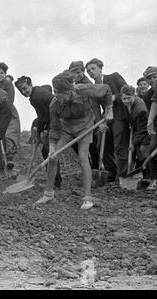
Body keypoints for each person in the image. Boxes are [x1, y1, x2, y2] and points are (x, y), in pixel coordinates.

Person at [36, 71, 113, 210]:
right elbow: (54, 127)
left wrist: (109, 109)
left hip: (85, 127)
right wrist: (52, 148)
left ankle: (87, 197)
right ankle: (48, 193)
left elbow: (106, 89)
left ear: (69, 91)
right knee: (53, 158)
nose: (57, 97)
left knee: (83, 158)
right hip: (66, 129)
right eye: (55, 93)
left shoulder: (84, 90)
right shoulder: (54, 104)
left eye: (60, 94)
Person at [15, 76, 63, 187]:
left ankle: (56, 181)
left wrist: (40, 131)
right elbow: (47, 88)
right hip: (53, 119)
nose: (23, 92)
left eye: (25, 88)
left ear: (30, 84)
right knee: (46, 151)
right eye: (21, 90)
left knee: (48, 152)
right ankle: (55, 179)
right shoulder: (37, 91)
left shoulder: (36, 97)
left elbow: (42, 117)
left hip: (58, 121)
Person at [86, 58, 126, 182]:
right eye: (88, 71)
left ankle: (124, 174)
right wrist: (100, 124)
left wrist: (114, 97)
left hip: (120, 114)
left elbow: (128, 91)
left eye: (93, 69)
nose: (91, 72)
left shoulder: (113, 77)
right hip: (106, 117)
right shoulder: (93, 89)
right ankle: (111, 172)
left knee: (119, 143)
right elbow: (96, 109)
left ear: (100, 68)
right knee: (101, 142)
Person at [116, 85, 150, 181]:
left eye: (129, 98)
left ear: (134, 96)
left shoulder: (140, 110)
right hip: (137, 128)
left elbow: (142, 130)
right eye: (124, 98)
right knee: (134, 151)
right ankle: (133, 174)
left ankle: (148, 177)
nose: (126, 101)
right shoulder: (125, 104)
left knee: (142, 150)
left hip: (147, 129)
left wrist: (133, 143)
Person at [0, 62, 21, 170]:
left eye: (1, 73)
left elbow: (10, 100)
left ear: (5, 74)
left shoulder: (8, 85)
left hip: (8, 112)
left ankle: (9, 159)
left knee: (10, 134)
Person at [142, 66, 157, 189]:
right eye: (149, 78)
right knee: (152, 149)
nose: (152, 80)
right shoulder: (148, 96)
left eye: (154, 77)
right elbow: (152, 113)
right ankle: (156, 177)